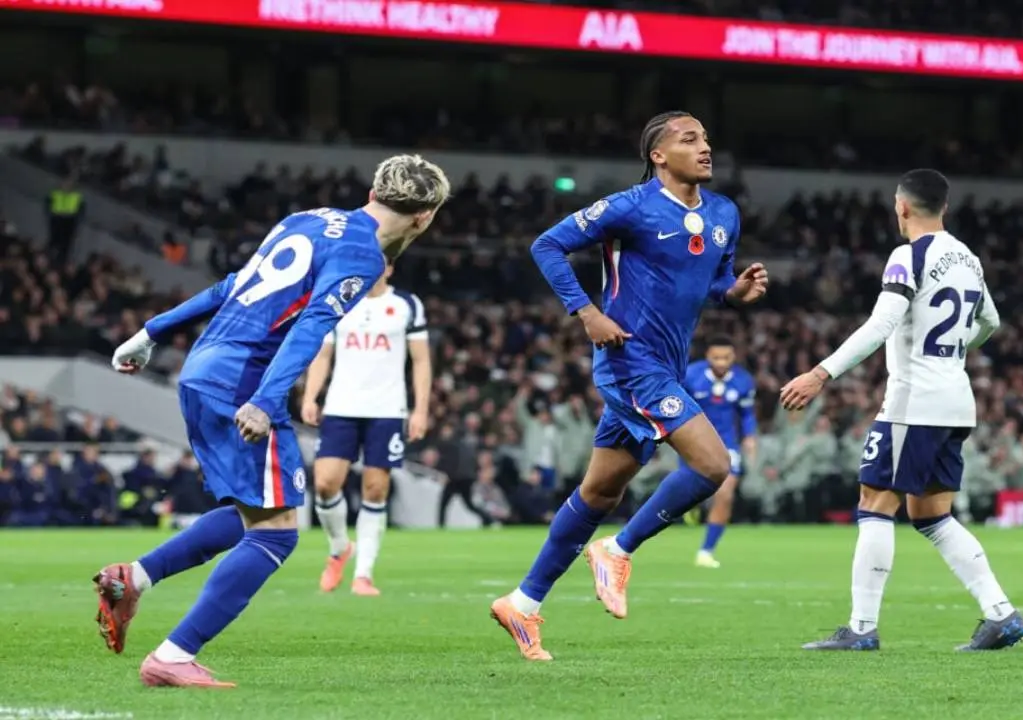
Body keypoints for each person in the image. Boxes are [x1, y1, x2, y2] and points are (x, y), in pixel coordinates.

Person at [91, 154, 450, 688]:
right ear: (424, 217)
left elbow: (229, 286)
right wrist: (265, 399)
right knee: (279, 534)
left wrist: (150, 333)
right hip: (243, 383)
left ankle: (134, 578)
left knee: (252, 513)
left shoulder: (304, 219)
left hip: (203, 370)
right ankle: (174, 655)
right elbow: (313, 324)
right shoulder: (363, 255)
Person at [489, 111, 769, 661]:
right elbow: (547, 245)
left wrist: (731, 292)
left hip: (666, 363)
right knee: (713, 466)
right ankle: (616, 550)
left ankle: (521, 603)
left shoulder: (723, 213)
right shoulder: (630, 206)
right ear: (659, 156)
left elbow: (706, 282)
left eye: (707, 138)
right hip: (629, 361)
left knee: (599, 493)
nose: (705, 147)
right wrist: (586, 312)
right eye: (690, 140)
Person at [779, 168, 1023, 653]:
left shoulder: (907, 255)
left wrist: (820, 373)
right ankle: (1002, 615)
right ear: (945, 209)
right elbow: (991, 321)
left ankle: (861, 628)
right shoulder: (968, 258)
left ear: (902, 207)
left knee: (874, 503)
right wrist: (952, 355)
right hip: (956, 401)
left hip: (913, 403)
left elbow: (880, 325)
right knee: (932, 515)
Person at [302, 261, 432, 596]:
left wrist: (420, 409)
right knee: (326, 484)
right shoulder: (342, 300)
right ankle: (339, 547)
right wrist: (311, 395)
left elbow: (420, 360)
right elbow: (322, 355)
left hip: (387, 409)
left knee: (376, 489)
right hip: (341, 406)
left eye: (382, 264)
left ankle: (363, 574)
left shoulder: (407, 304)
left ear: (389, 268)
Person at [683, 337, 757, 568]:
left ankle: (706, 551)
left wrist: (750, 437)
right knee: (688, 494)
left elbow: (746, 413)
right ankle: (690, 505)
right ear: (707, 357)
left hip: (726, 445)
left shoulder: (743, 381)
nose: (722, 362)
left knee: (725, 494)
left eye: (726, 357)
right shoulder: (690, 376)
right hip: (692, 442)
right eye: (716, 357)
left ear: (733, 357)